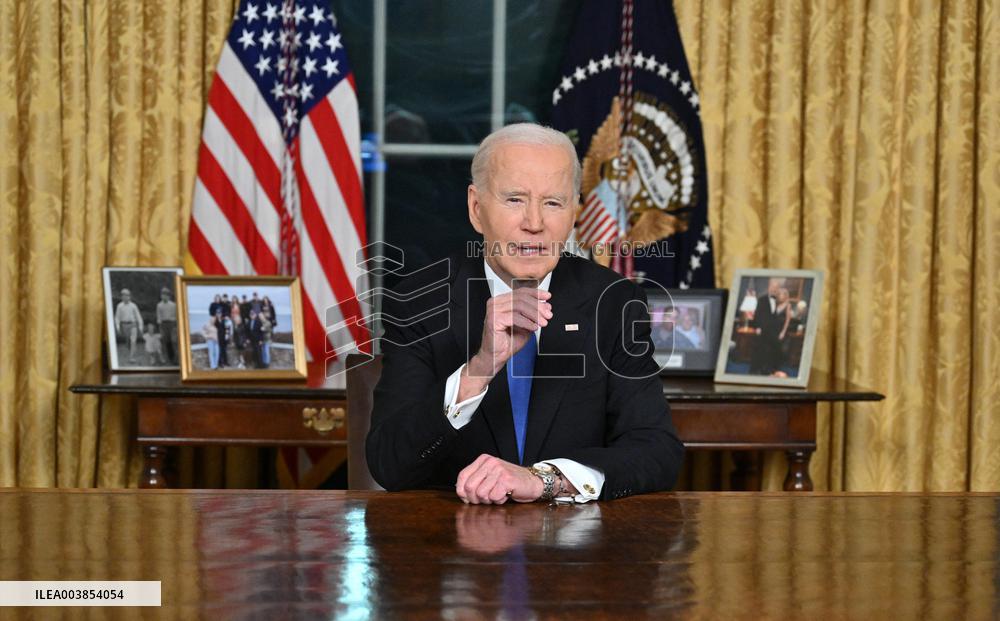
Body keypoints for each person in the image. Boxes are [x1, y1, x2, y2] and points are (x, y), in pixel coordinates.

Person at [367, 123, 684, 504]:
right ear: (476, 208)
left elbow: (657, 451)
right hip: (453, 544)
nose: (534, 223)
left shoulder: (615, 303)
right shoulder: (420, 301)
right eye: (515, 199)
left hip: (578, 549)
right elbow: (389, 464)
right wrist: (480, 368)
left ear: (574, 214)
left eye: (553, 203)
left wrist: (545, 480)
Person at [749, 278, 786, 375]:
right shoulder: (762, 299)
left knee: (775, 351)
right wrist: (758, 328)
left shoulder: (780, 300)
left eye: (776, 287)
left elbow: (780, 318)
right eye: (772, 287)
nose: (774, 289)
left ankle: (771, 371)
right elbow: (757, 316)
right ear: (769, 287)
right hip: (764, 331)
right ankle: (757, 371)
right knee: (761, 350)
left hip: (774, 332)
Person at [114, 288, 143, 364]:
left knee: (133, 341)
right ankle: (131, 352)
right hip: (124, 325)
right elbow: (117, 317)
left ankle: (132, 357)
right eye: (123, 295)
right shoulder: (119, 306)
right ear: (122, 297)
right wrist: (117, 327)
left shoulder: (133, 306)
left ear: (129, 296)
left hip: (133, 325)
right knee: (128, 342)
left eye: (127, 295)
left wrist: (140, 326)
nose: (125, 297)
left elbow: (138, 316)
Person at [156, 287, 178, 364]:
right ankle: (170, 358)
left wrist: (175, 325)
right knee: (167, 341)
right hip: (163, 324)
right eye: (162, 294)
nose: (164, 296)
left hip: (172, 324)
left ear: (169, 296)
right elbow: (159, 316)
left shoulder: (173, 305)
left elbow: (176, 315)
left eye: (166, 295)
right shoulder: (159, 305)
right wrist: (160, 326)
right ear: (161, 296)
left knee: (174, 341)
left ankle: (176, 358)